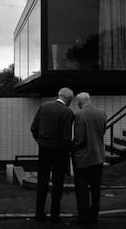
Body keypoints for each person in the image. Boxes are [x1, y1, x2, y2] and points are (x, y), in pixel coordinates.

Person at [30, 87, 74, 224]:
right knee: (57, 183)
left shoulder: (43, 107)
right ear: (69, 99)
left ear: (59, 95)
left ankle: (39, 214)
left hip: (43, 148)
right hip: (59, 151)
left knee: (42, 181)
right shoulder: (68, 112)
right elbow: (67, 137)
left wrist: (40, 141)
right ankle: (54, 216)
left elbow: (33, 128)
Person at [71, 92, 107, 226]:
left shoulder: (79, 115)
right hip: (98, 156)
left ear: (80, 102)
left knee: (82, 189)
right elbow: (102, 131)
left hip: (83, 157)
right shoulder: (101, 113)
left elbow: (79, 139)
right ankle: (94, 215)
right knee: (96, 188)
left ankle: (83, 217)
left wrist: (72, 147)